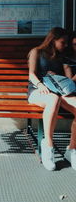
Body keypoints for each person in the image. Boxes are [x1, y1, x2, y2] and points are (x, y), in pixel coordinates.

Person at [28, 27, 76, 171]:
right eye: (63, 42)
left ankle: (72, 149)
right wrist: (40, 84)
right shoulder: (36, 51)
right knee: (53, 99)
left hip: (60, 92)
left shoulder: (62, 58)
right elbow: (31, 74)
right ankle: (48, 144)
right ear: (53, 40)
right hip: (37, 90)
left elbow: (69, 81)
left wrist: (66, 78)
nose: (65, 45)